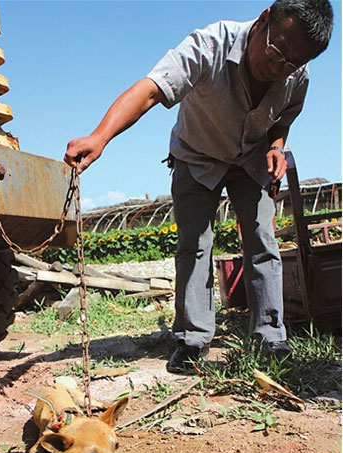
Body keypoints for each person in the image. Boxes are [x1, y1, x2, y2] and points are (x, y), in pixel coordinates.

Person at [64, 0, 334, 373]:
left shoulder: (296, 75)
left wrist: (276, 146)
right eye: (276, 52)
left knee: (262, 242)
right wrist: (100, 136)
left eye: (289, 63)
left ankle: (271, 338)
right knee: (194, 245)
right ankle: (192, 340)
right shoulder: (210, 45)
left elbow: (285, 117)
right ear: (264, 19)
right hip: (196, 156)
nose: (276, 67)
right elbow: (151, 90)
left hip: (250, 159)